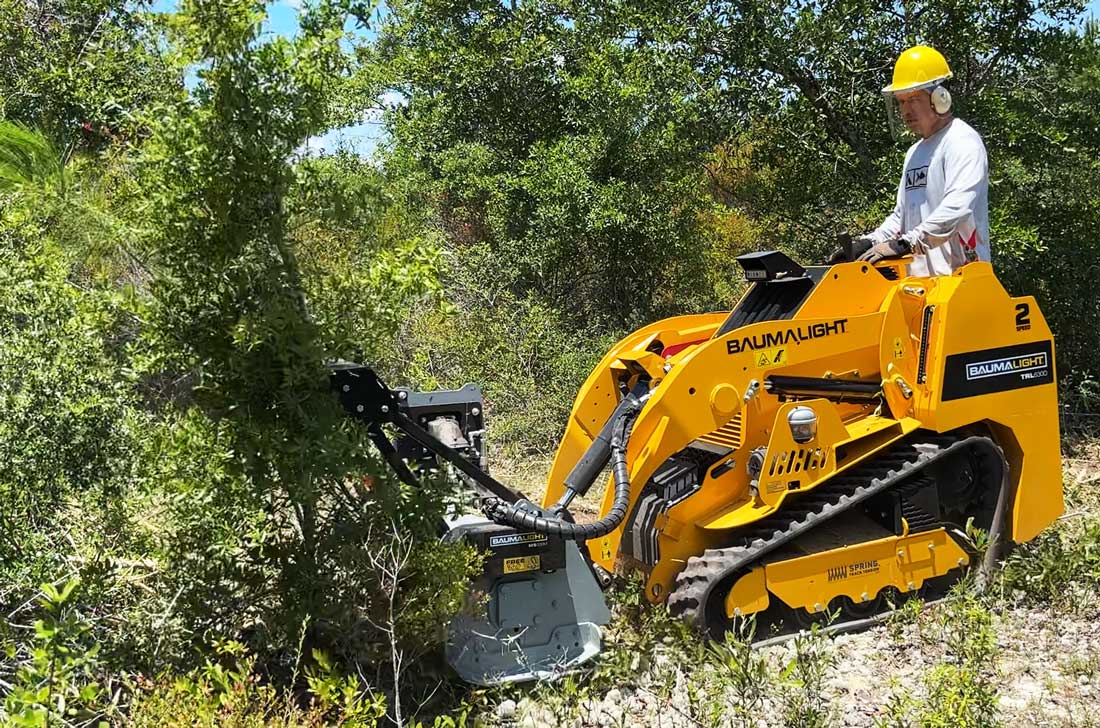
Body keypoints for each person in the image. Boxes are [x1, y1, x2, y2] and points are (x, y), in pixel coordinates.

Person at [856, 45, 989, 276]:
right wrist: (869, 242)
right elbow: (902, 216)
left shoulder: (962, 141)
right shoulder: (914, 153)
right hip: (919, 285)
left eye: (914, 98)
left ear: (940, 98)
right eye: (901, 101)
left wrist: (907, 244)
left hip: (961, 282)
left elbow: (957, 208)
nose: (906, 109)